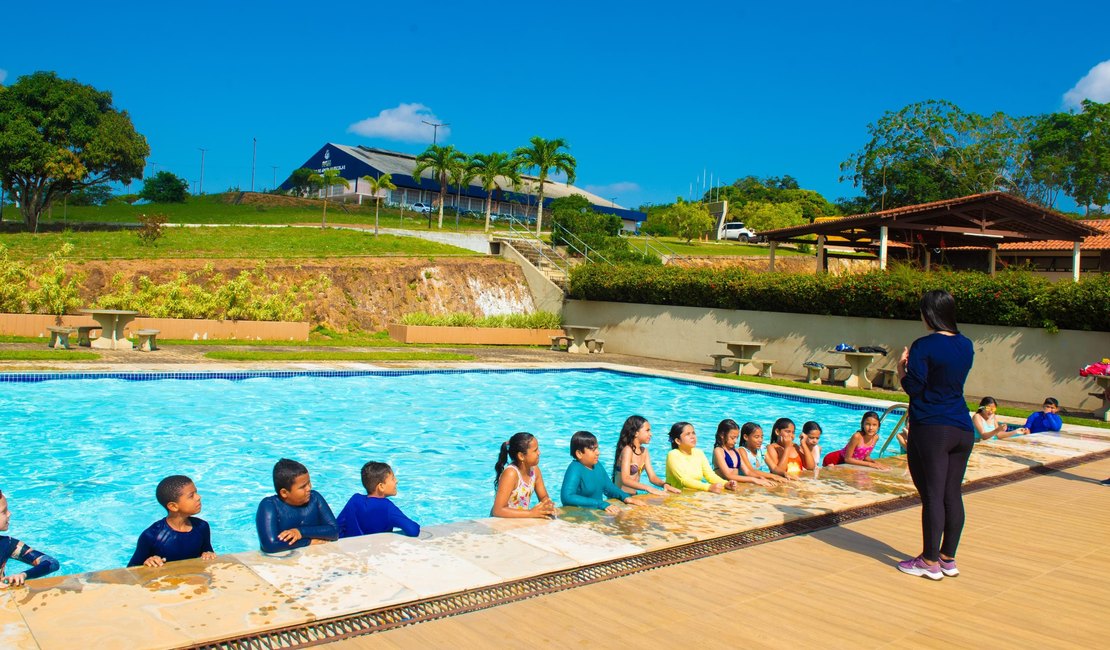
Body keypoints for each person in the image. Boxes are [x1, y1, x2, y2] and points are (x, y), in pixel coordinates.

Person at [895, 289, 975, 580]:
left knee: (932, 495)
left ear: (928, 314)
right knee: (952, 494)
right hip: (961, 428)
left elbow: (915, 388)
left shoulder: (924, 345)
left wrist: (901, 367)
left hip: (931, 427)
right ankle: (947, 558)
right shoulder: (966, 344)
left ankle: (928, 562)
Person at [129, 475, 216, 567]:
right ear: (173, 506)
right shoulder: (152, 536)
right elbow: (131, 569)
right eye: (191, 496)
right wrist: (148, 562)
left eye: (196, 493)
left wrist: (208, 554)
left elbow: (208, 551)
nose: (198, 497)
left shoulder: (201, 527)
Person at [255, 458, 338, 553]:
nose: (309, 488)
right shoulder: (269, 506)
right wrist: (308, 542)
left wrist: (300, 532)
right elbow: (269, 545)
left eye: (309, 483)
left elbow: (334, 531)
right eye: (303, 487)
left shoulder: (315, 498)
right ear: (284, 493)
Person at [336, 462, 420, 538]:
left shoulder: (355, 500)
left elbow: (337, 528)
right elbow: (413, 530)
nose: (396, 481)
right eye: (393, 478)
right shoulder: (387, 507)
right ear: (381, 487)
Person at [561, 431, 638, 513]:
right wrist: (600, 504)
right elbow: (567, 497)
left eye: (597, 448)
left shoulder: (597, 465)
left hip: (595, 513)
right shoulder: (575, 468)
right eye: (593, 449)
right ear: (579, 453)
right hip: (579, 516)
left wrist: (625, 497)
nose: (598, 452)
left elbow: (609, 487)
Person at [0, 488, 59, 587]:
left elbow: (52, 563)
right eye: (4, 511)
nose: (9, 514)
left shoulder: (7, 544)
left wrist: (24, 575)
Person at [491, 432, 556, 518]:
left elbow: (543, 496)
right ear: (521, 456)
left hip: (520, 519)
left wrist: (547, 505)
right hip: (501, 521)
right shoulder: (511, 474)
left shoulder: (535, 470)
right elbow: (498, 510)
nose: (539, 453)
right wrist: (531, 513)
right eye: (535, 450)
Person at [612, 416, 680, 496]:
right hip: (619, 497)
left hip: (633, 495)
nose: (650, 434)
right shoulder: (628, 450)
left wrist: (664, 484)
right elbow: (625, 479)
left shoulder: (644, 451)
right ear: (636, 433)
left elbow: (652, 477)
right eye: (647, 430)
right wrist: (649, 488)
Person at [665, 422, 736, 493]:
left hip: (694, 494)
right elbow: (684, 480)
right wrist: (708, 487)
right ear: (678, 441)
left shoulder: (699, 453)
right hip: (677, 496)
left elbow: (710, 475)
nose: (692, 437)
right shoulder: (673, 455)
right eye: (688, 434)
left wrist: (725, 483)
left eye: (693, 433)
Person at [711, 419, 774, 487]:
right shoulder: (718, 451)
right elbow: (728, 475)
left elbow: (748, 472)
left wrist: (761, 478)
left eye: (736, 438)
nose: (735, 441)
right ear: (722, 435)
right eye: (732, 438)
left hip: (733, 485)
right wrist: (753, 480)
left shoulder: (736, 451)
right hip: (722, 485)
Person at [822, 411, 888, 470]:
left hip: (847, 463)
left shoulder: (875, 438)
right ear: (862, 424)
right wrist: (870, 464)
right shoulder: (857, 436)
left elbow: (865, 456)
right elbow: (847, 459)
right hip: (834, 460)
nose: (871, 428)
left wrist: (875, 462)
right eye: (867, 424)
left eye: (874, 425)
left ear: (878, 426)